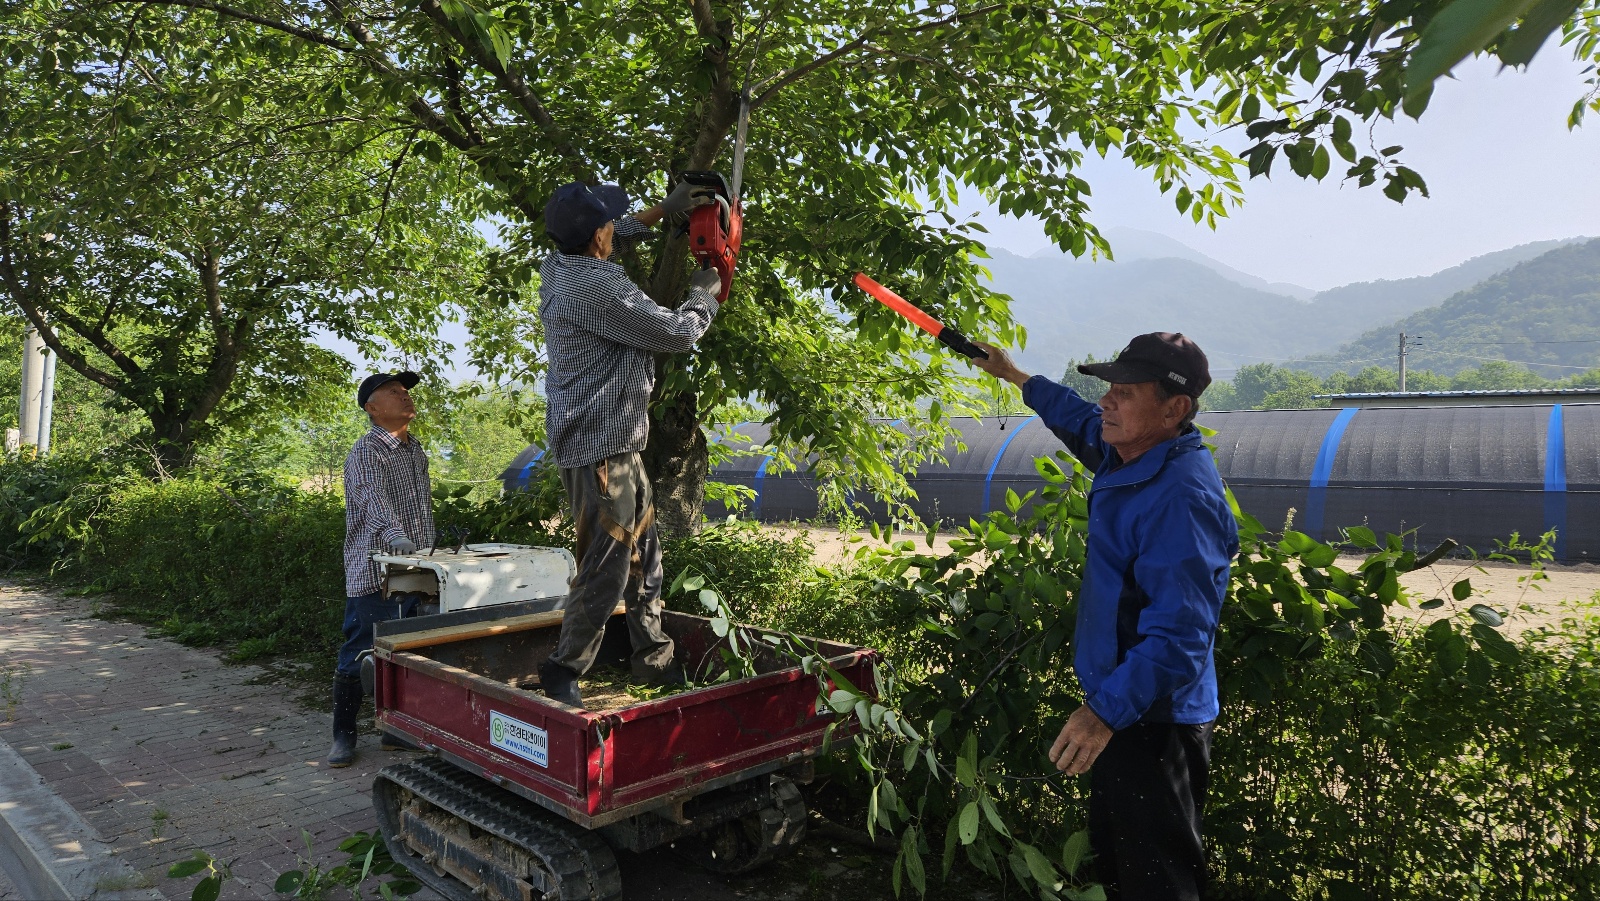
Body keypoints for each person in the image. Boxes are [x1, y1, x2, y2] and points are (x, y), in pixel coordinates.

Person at [971, 332, 1238, 901]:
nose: (1106, 403)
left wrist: (1103, 715)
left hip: (1153, 717)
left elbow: (1180, 638)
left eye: (1126, 392)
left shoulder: (1182, 499)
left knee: (1159, 881)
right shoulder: (1131, 450)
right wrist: (1013, 375)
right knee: (1120, 865)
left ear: (1175, 409)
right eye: (1108, 389)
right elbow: (1074, 416)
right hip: (1122, 706)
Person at [535, 179, 724, 708]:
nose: (616, 229)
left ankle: (654, 662)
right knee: (608, 565)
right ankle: (563, 668)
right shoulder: (598, 289)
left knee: (645, 559)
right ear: (597, 234)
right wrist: (702, 295)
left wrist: (664, 211)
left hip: (618, 446)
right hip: (601, 453)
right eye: (610, 223)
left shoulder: (558, 267)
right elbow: (675, 334)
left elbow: (618, 239)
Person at [329, 370, 435, 767]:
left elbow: (421, 511)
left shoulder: (415, 450)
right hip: (375, 568)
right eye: (393, 392)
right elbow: (372, 499)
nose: (404, 396)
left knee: (409, 650)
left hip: (421, 569)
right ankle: (343, 734)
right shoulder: (366, 451)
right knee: (359, 650)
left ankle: (396, 730)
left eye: (405, 391)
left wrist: (427, 552)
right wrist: (395, 537)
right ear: (372, 408)